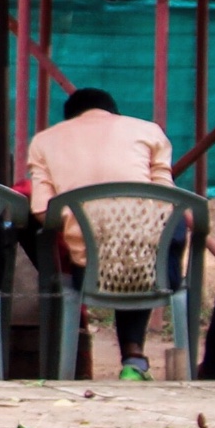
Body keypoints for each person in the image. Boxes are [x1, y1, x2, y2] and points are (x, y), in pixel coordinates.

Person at [26, 86, 176, 380]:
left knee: (114, 247)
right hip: (152, 271)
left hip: (89, 272)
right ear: (114, 114)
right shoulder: (148, 131)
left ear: (69, 119)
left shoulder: (45, 141)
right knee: (148, 240)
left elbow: (43, 212)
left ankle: (64, 367)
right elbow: (166, 199)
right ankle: (133, 357)